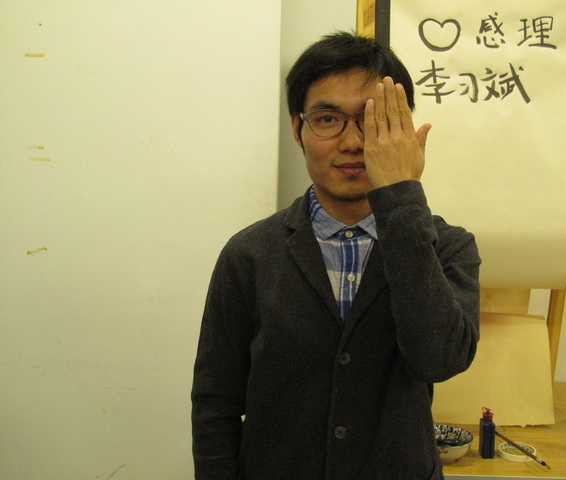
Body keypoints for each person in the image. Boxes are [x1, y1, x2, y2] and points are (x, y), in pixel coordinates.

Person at [191, 32, 481, 480]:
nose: (352, 142)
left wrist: (401, 197)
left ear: (402, 131)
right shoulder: (248, 255)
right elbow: (215, 404)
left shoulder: (447, 246)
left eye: (372, 120)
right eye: (328, 119)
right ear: (297, 128)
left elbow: (439, 360)